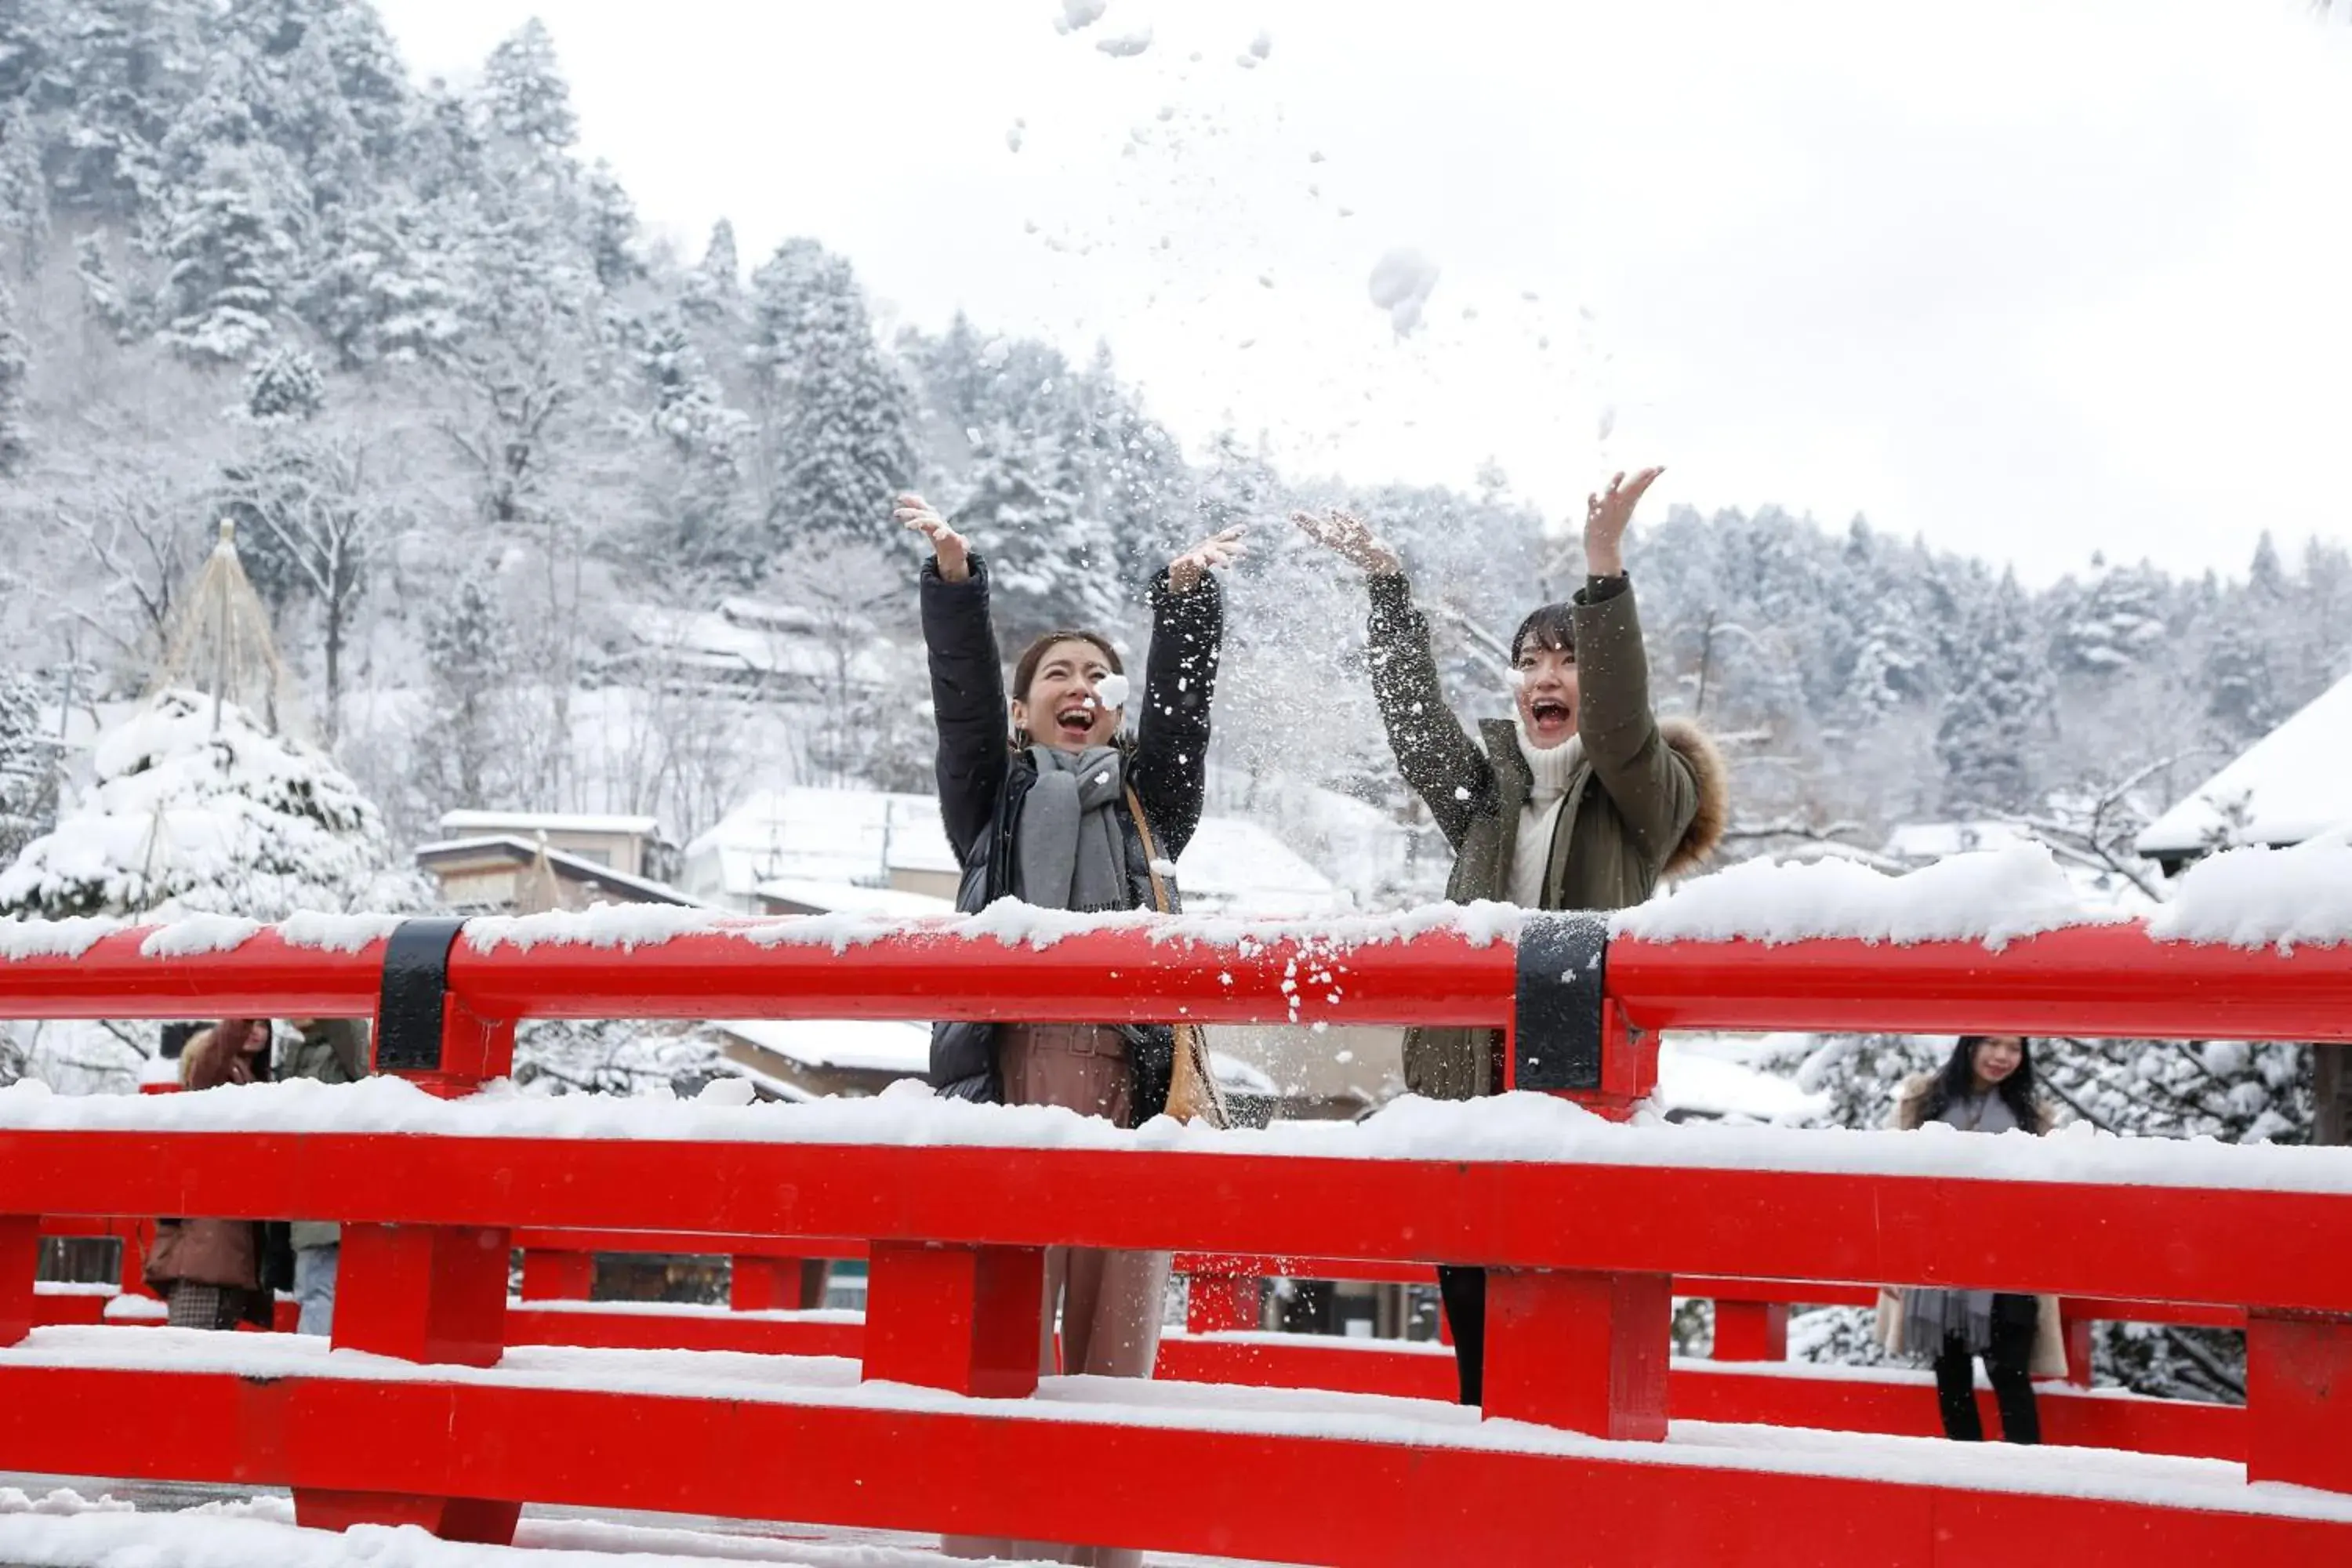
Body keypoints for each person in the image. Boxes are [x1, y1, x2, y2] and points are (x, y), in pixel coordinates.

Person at [1294, 467, 1729, 1408]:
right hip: (1468, 1093)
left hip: (1573, 1107)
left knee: (1559, 1353)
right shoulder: (1490, 796)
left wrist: (1604, 572)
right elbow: (1415, 731)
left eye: (1566, 658)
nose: (1545, 676)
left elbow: (1620, 729)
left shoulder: (1643, 796)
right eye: (1531, 660)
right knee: (1478, 1360)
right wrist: (1386, 587)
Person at [902, 490, 1240, 1568]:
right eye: (1059, 675)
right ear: (1025, 710)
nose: (1081, 688)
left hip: (1131, 1093)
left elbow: (1184, 722)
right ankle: (985, 1549)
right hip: (1004, 1087)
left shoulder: (1150, 803)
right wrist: (959, 588)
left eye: (1098, 676)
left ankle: (1104, 1552)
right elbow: (957, 706)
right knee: (995, 1345)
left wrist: (1182, 606)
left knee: (1112, 1352)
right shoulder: (988, 799)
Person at [1874, 1035, 2067, 1443]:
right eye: (1992, 1044)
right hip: (1938, 1263)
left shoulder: (2033, 1116)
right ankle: (1970, 1479)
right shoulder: (1921, 1102)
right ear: (1969, 1046)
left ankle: (2025, 1482)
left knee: (2010, 1372)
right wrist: (1895, 1254)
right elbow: (1891, 1182)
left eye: (2013, 1048)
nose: (2002, 1057)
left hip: (2010, 1265)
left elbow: (2051, 1194)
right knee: (1951, 1376)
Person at [145, 1018, 292, 1330]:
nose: (256, 1030)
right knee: (190, 1353)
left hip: (231, 1247)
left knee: (208, 1358)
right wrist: (242, 1012)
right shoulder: (214, 1078)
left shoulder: (255, 1082)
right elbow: (211, 1063)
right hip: (207, 1247)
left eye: (263, 1024)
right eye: (248, 1023)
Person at [281, 1017, 371, 1334]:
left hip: (331, 1192)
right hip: (310, 1192)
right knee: (315, 1288)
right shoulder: (299, 1052)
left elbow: (353, 1031)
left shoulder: (344, 1045)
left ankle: (312, 1368)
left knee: (318, 1289)